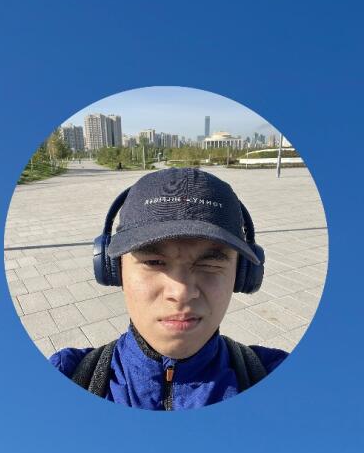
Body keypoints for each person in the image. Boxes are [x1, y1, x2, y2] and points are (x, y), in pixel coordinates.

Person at [50, 167, 287, 410]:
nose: (181, 292)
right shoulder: (67, 375)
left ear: (243, 274)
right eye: (153, 262)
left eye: (210, 263)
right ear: (114, 270)